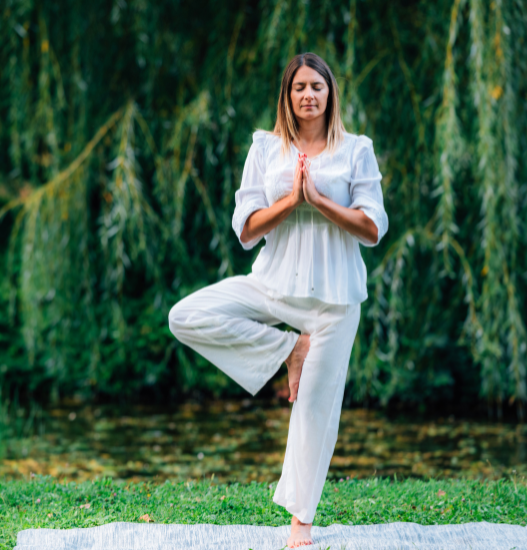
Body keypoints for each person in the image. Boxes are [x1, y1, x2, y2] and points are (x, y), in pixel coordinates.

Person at [168, 52, 388, 548]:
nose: (308, 94)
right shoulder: (266, 148)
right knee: (186, 315)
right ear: (287, 96)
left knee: (313, 411)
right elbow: (245, 229)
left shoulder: (356, 149)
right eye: (299, 87)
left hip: (335, 304)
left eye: (317, 86)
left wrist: (320, 201)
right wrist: (290, 200)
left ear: (331, 93)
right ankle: (290, 350)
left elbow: (373, 228)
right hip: (272, 286)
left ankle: (300, 526)